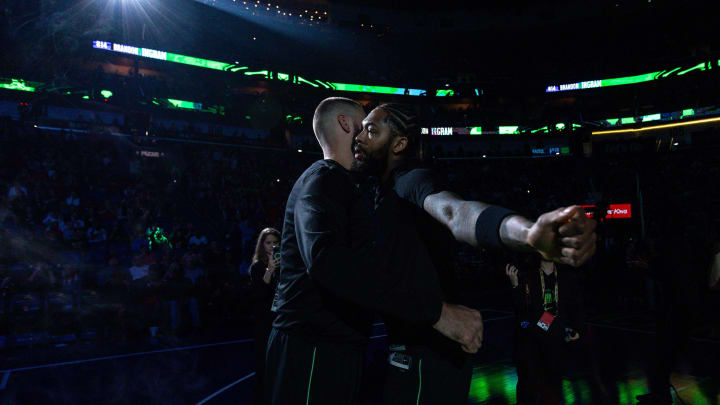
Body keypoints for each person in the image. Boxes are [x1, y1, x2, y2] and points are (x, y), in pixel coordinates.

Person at [351, 103, 597, 404]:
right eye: (361, 128)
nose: (359, 137)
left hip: (431, 352)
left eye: (371, 130)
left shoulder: (411, 180)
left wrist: (528, 234)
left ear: (399, 143)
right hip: (413, 345)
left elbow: (457, 212)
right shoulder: (380, 189)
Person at [265, 97, 483, 405]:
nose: (368, 136)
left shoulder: (351, 186)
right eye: (365, 125)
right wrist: (436, 312)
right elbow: (328, 261)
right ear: (346, 125)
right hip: (314, 347)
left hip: (330, 347)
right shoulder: (324, 179)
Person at [506, 259, 583, 405]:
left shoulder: (566, 277)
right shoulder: (527, 275)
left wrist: (577, 328)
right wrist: (515, 285)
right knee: (528, 391)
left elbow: (575, 306)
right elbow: (521, 312)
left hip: (555, 345)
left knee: (552, 392)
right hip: (531, 345)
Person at [249, 227, 281, 405]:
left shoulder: (284, 263)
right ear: (262, 244)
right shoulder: (257, 267)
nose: (272, 246)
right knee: (263, 363)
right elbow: (259, 293)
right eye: (268, 242)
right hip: (264, 320)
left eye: (275, 242)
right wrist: (270, 269)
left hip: (281, 318)